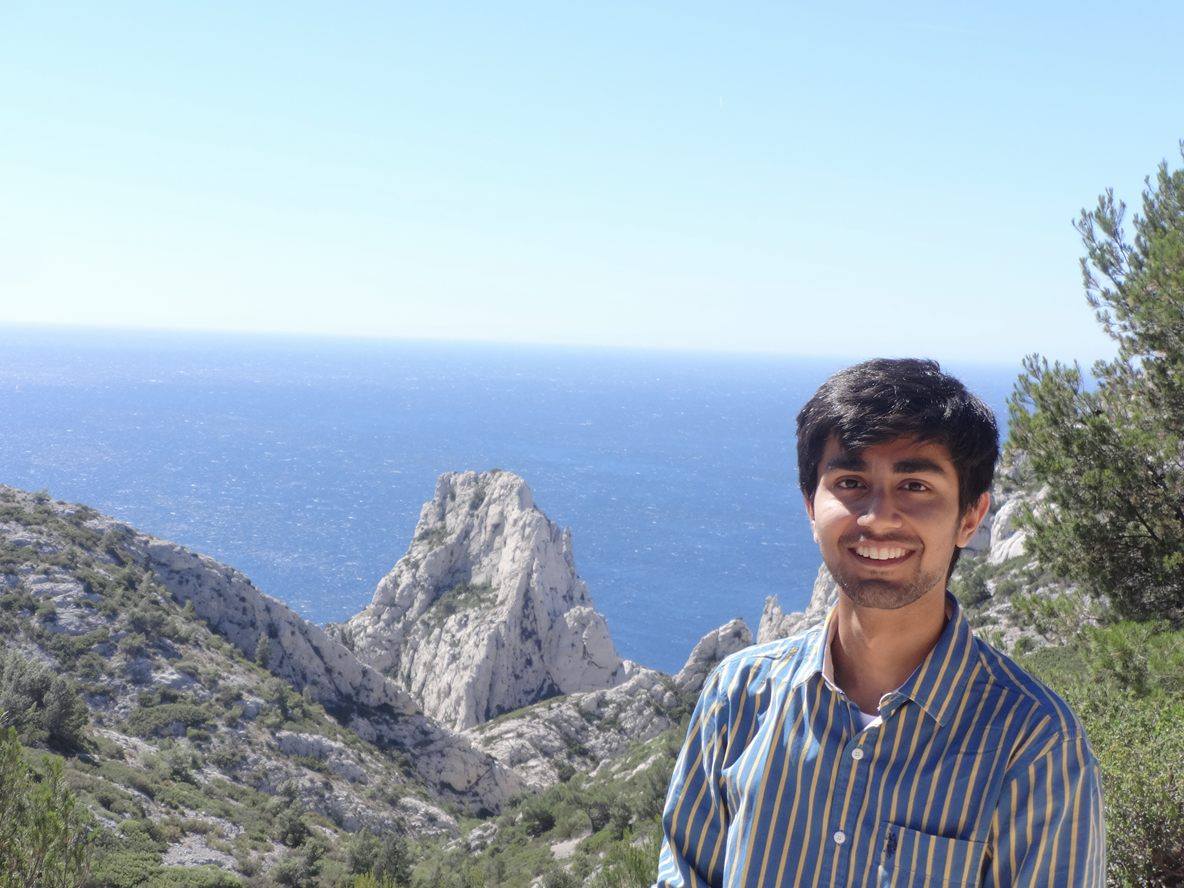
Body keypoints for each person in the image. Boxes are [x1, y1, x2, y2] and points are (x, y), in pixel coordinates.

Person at [655, 358, 1105, 887]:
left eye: (915, 485)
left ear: (970, 517)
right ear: (810, 506)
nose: (878, 517)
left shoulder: (1035, 744)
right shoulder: (739, 696)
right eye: (850, 482)